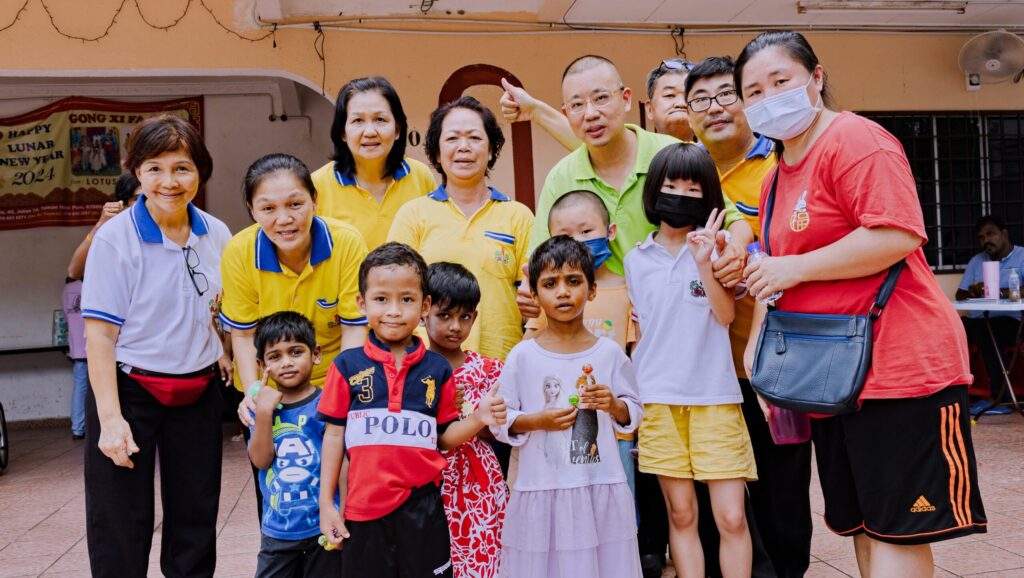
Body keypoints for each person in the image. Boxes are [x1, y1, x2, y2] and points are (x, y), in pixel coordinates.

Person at [736, 30, 985, 576]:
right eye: (754, 91)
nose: (769, 98)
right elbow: (777, 271)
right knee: (864, 527)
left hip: (900, 369)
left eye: (781, 81)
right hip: (833, 377)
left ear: (816, 77)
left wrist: (793, 267)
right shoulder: (775, 177)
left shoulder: (855, 140)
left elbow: (896, 233)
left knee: (898, 530)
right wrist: (760, 347)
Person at [80, 114, 232, 577]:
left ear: (201, 171)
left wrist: (222, 352)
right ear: (136, 172)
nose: (170, 182)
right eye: (155, 169)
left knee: (195, 517)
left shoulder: (217, 233)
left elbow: (217, 311)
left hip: (198, 391)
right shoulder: (114, 239)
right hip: (130, 392)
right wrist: (110, 420)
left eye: (182, 168)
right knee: (121, 522)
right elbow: (99, 335)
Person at [685, 55, 811, 578]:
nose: (714, 108)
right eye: (700, 100)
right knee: (720, 505)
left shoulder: (783, 162)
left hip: (776, 364)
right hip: (706, 374)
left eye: (725, 95)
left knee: (783, 494)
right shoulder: (682, 172)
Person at [316, 242, 508, 578]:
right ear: (361, 303)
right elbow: (334, 437)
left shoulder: (437, 369)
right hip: (363, 512)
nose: (394, 310)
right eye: (381, 299)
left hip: (423, 511)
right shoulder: (345, 366)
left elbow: (444, 437)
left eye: (406, 299)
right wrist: (326, 506)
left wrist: (480, 417)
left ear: (424, 305)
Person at [626, 143, 756, 578]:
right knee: (681, 515)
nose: (681, 194)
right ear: (654, 190)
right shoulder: (635, 259)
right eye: (671, 185)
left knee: (732, 518)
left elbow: (726, 315)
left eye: (693, 188)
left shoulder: (719, 248)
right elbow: (640, 331)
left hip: (715, 397)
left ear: (708, 197)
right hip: (658, 399)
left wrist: (704, 263)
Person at [221, 153, 369, 517]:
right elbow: (243, 334)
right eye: (268, 208)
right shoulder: (239, 251)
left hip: (333, 380)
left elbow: (354, 327)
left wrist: (338, 396)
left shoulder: (346, 242)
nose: (284, 219)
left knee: (342, 490)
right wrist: (255, 396)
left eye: (295, 204)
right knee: (278, 491)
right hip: (272, 386)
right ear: (252, 211)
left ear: (315, 201)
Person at [491, 235, 643, 577]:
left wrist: (613, 405)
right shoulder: (523, 356)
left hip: (597, 482)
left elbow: (633, 413)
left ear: (592, 290)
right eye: (550, 284)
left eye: (573, 281)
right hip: (542, 484)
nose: (563, 292)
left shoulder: (609, 354)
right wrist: (537, 421)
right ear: (534, 294)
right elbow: (501, 420)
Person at [388, 96, 533, 362]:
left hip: (500, 367)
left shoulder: (518, 216)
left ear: (491, 150)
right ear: (437, 153)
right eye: (452, 138)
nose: (463, 147)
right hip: (427, 368)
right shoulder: (413, 215)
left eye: (475, 138)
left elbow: (535, 300)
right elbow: (395, 295)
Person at [522, 190, 639, 499]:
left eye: (586, 231)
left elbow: (634, 361)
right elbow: (527, 350)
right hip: (556, 425)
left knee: (614, 504)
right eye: (565, 236)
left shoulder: (628, 290)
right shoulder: (552, 299)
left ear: (610, 231)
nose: (578, 242)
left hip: (613, 432)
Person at [425, 262, 509, 578]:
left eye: (464, 317)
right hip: (429, 479)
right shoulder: (414, 370)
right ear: (424, 312)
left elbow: (503, 432)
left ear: (474, 317)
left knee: (483, 552)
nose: (455, 326)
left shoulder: (490, 371)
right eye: (444, 315)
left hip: (479, 481)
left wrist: (471, 417)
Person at [248, 312, 342, 577]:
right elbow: (260, 460)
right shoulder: (259, 408)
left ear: (316, 354)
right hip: (278, 531)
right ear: (262, 365)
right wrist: (264, 413)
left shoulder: (328, 404)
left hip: (323, 525)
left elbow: (343, 462)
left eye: (296, 352)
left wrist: (343, 512)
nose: (286, 362)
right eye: (275, 356)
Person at [311, 76, 436, 250]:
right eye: (358, 121)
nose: (369, 132)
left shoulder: (420, 176)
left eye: (380, 119)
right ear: (343, 132)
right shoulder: (318, 185)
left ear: (397, 129)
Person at [956, 215, 1024, 415]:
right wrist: (974, 290)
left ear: (1004, 234)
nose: (986, 240)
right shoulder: (977, 261)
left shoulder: (1021, 256)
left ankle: (1000, 398)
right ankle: (947, 395)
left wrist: (1000, 292)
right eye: (981, 237)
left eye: (990, 234)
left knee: (986, 332)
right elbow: (960, 294)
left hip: (1012, 321)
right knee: (948, 329)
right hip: (977, 319)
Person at [67, 173, 141, 280]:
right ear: (123, 205)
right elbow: (74, 272)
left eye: (149, 197)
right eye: (137, 198)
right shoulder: (113, 232)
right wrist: (100, 225)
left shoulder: (164, 229)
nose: (145, 203)